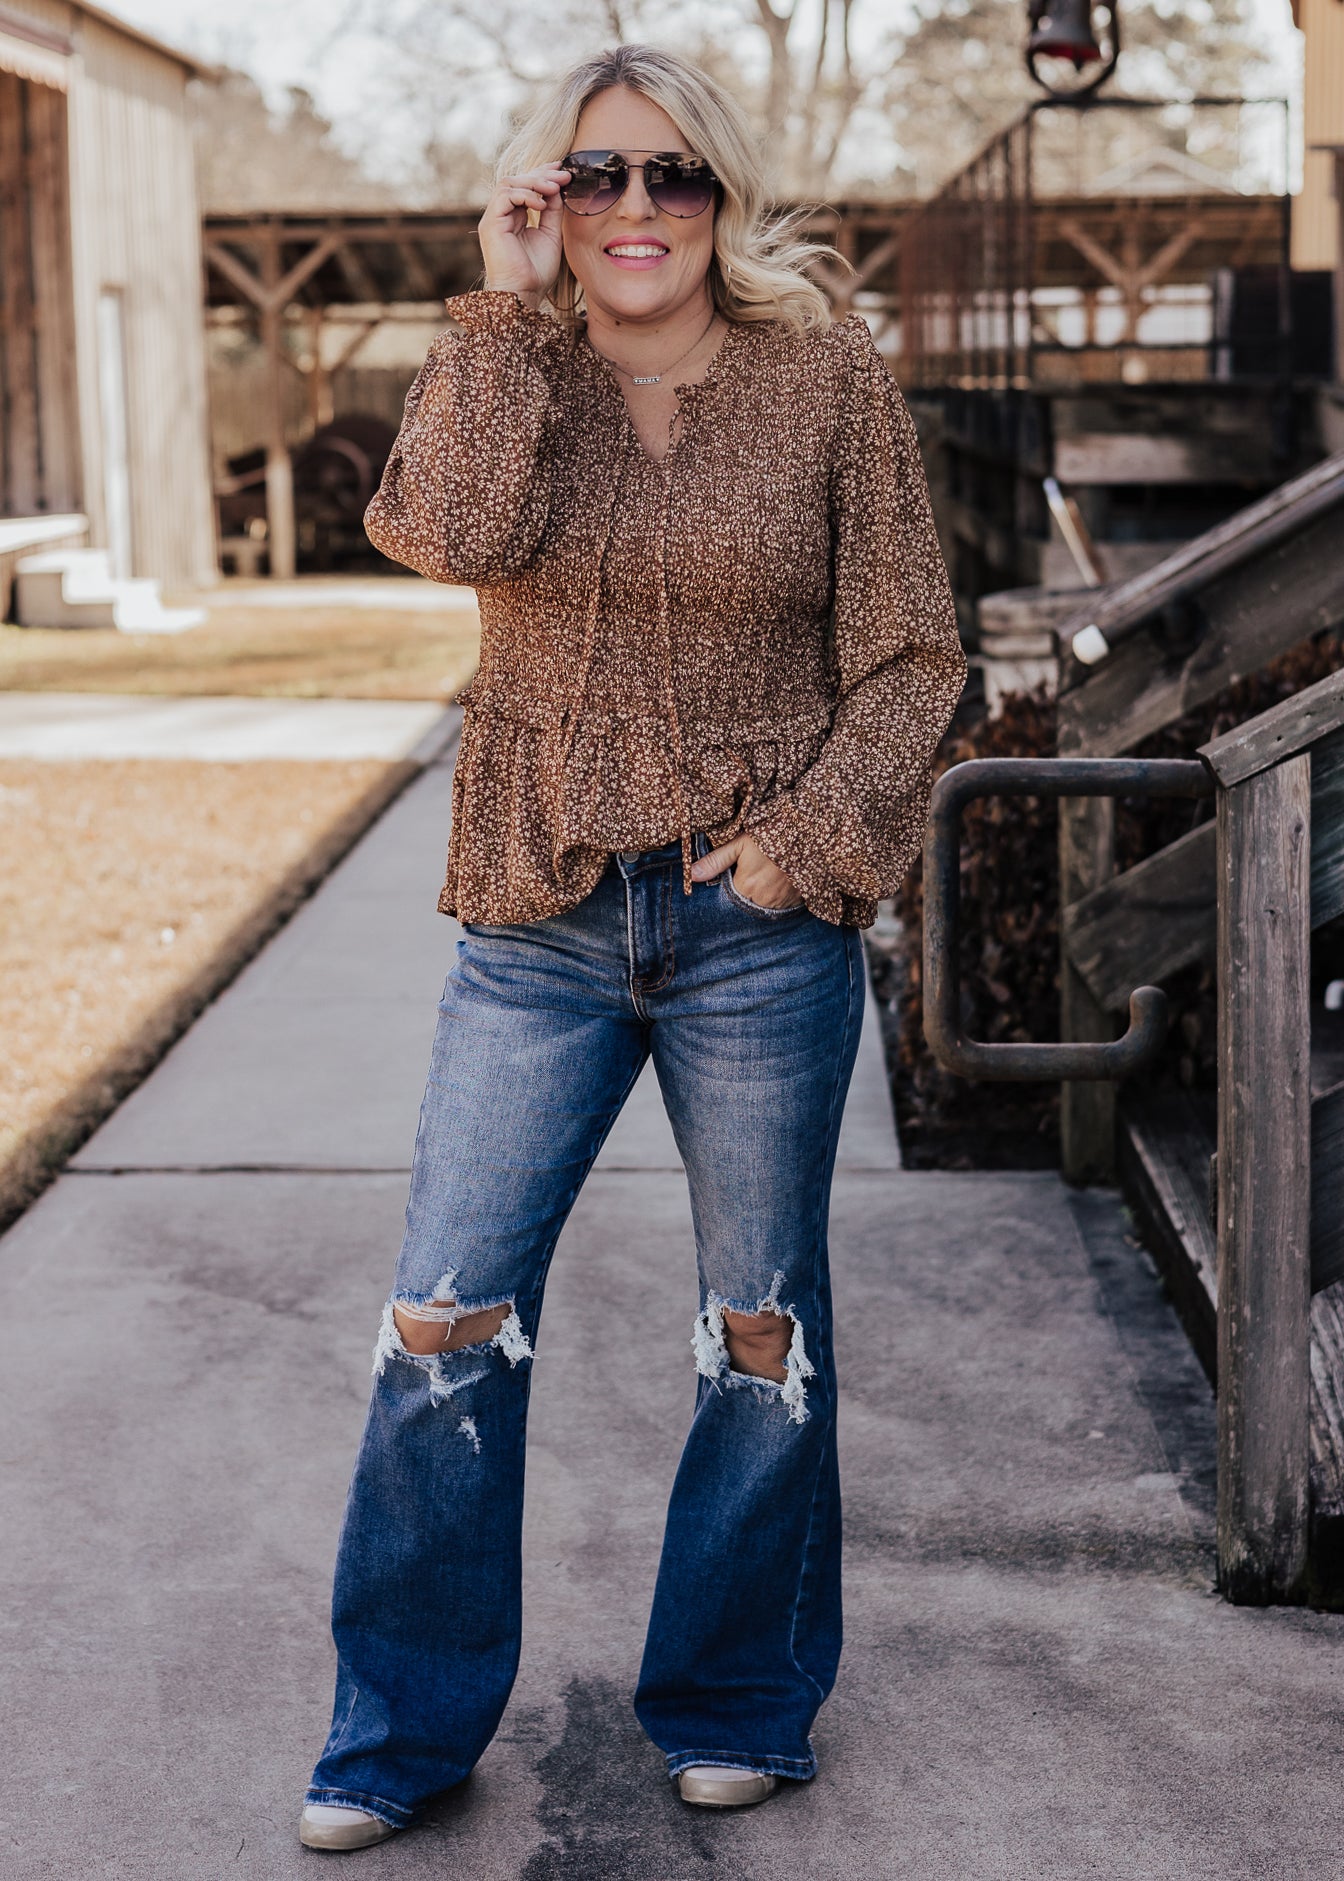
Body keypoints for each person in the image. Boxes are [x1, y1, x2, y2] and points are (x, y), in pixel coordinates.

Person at [299, 40, 966, 1853]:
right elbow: (442, 532)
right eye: (599, 177)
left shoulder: (827, 384)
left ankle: (742, 1697)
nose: (639, 209)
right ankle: (399, 1732)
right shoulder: (508, 365)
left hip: (756, 932)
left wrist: (804, 856)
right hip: (539, 917)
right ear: (551, 199)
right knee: (445, 1312)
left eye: (676, 177)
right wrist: (501, 316)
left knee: (760, 1330)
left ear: (725, 199)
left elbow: (912, 656)